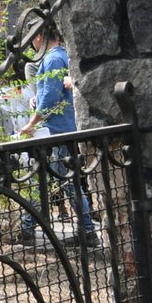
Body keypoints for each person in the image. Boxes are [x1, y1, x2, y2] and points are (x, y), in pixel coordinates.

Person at [18, 23, 96, 246]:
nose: (33, 43)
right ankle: (28, 227)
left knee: (62, 181)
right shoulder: (64, 56)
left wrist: (31, 123)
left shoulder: (52, 59)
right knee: (53, 180)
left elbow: (50, 98)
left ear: (40, 37)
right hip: (65, 127)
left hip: (56, 131)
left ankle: (87, 231)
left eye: (33, 38)